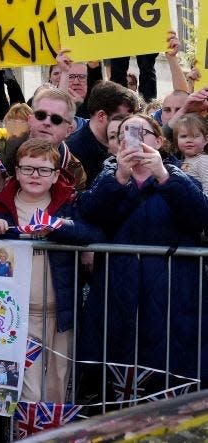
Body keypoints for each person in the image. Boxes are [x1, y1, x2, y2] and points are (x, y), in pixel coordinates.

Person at [77, 113, 208, 385]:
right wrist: (120, 177)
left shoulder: (178, 175)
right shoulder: (109, 177)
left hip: (172, 294)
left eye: (140, 132)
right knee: (118, 380)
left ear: (159, 141)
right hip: (120, 291)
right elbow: (91, 215)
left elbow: (199, 216)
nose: (131, 138)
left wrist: (162, 175)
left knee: (169, 375)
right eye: (124, 133)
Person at [0, 139, 103, 402]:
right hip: (16, 314)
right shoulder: (0, 204)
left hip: (61, 313)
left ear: (56, 175)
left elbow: (92, 232)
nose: (35, 175)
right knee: (29, 392)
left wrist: (59, 227)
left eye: (44, 170)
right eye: (28, 169)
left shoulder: (69, 203)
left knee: (58, 387)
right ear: (17, 172)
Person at [66, 81, 139, 190]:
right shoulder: (72, 151)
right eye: (122, 118)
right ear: (101, 116)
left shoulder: (131, 143)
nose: (128, 124)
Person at [174, 113, 208, 194]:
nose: (189, 140)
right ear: (176, 139)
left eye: (195, 136)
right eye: (183, 136)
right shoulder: (181, 161)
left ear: (206, 140)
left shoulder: (203, 160)